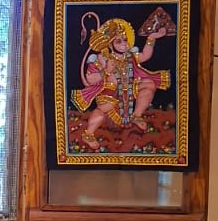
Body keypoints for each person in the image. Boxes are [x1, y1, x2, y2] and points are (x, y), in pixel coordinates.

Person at [72, 15, 170, 149]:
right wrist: (105, 71)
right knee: (102, 110)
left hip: (128, 95)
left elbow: (145, 55)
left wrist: (152, 38)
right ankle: (88, 134)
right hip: (110, 97)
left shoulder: (130, 56)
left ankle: (137, 116)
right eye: (118, 41)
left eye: (125, 40)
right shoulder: (102, 59)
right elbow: (90, 79)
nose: (124, 43)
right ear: (111, 44)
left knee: (149, 84)